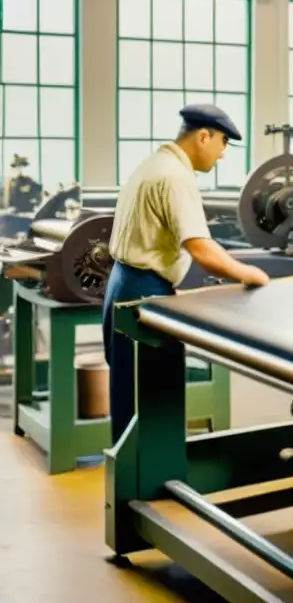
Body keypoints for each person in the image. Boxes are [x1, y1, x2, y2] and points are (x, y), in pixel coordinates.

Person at [101, 104, 271, 444]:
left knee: (129, 394)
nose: (223, 154)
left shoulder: (152, 165)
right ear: (203, 136)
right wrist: (250, 274)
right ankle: (152, 481)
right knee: (153, 397)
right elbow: (202, 251)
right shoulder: (176, 177)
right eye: (223, 143)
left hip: (122, 283)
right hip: (143, 293)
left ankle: (128, 478)